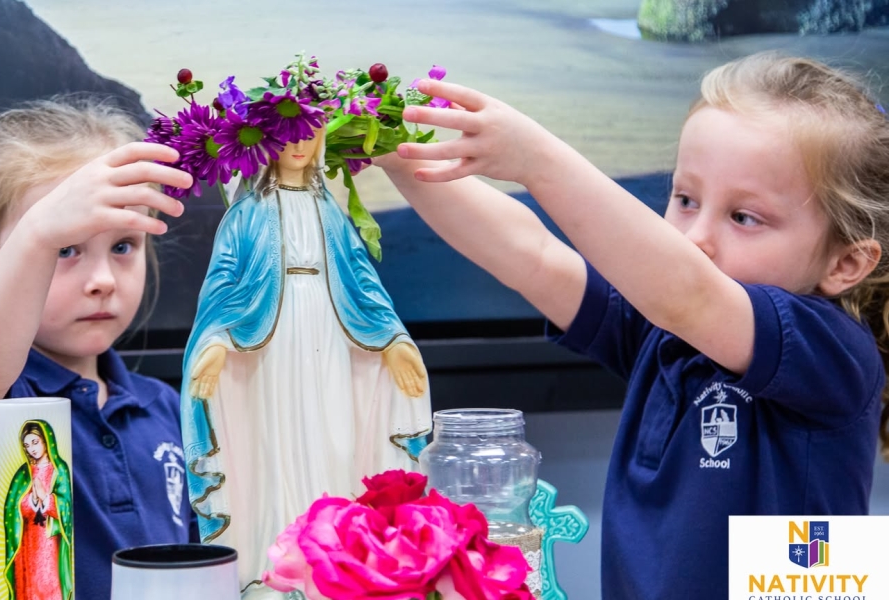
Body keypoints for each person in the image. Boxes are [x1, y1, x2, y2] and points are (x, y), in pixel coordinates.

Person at [379, 52, 889, 598]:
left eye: (744, 217)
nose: (695, 238)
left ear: (845, 263)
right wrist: (393, 153)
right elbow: (532, 255)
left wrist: (538, 161)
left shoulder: (833, 350)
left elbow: (687, 293)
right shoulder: (665, 332)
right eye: (685, 199)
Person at [0, 97, 200, 600]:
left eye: (123, 246)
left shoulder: (167, 408)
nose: (102, 280)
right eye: (65, 249)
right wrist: (39, 234)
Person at [180, 127, 432, 595]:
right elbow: (223, 280)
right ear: (265, 144)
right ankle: (279, 565)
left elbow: (359, 275)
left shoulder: (328, 211)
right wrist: (216, 340)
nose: (298, 146)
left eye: (309, 136)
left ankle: (334, 560)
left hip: (330, 331)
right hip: (270, 340)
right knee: (277, 441)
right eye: (286, 137)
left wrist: (391, 338)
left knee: (334, 438)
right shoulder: (248, 213)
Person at [3, 421, 73, 600]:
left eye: (35, 442)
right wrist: (31, 501)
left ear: (46, 441)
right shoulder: (23, 473)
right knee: (29, 584)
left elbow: (66, 506)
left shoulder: (59, 470)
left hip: (49, 540)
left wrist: (46, 498)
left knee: (48, 581)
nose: (32, 449)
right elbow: (12, 507)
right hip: (26, 539)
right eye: (27, 445)